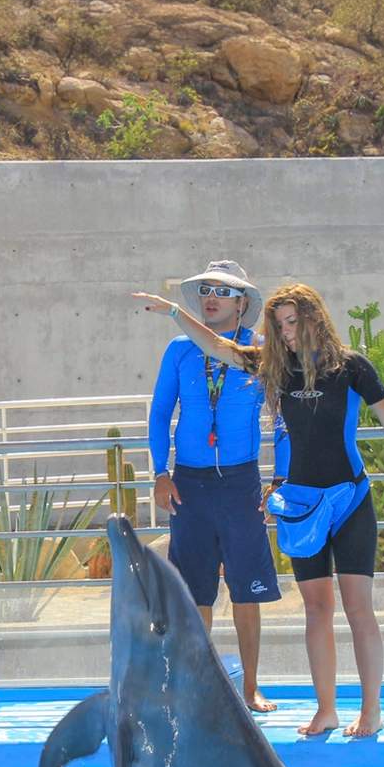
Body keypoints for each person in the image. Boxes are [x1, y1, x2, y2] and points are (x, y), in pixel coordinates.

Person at [135, 280, 384, 738]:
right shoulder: (276, 369)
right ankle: (327, 710)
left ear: (314, 318)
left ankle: (371, 710)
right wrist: (172, 314)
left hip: (348, 498)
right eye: (278, 324)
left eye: (292, 322)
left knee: (358, 608)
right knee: (317, 609)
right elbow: (218, 346)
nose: (284, 332)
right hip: (302, 506)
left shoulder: (352, 368)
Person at [148, 260, 283, 713]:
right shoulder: (179, 350)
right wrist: (159, 473)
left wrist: (279, 479)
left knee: (247, 590)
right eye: (205, 288)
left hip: (241, 483)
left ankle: (250, 688)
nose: (211, 296)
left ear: (242, 303)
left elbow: (283, 420)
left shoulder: (261, 351)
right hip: (189, 482)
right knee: (194, 592)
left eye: (222, 291)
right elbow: (160, 413)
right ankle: (200, 689)